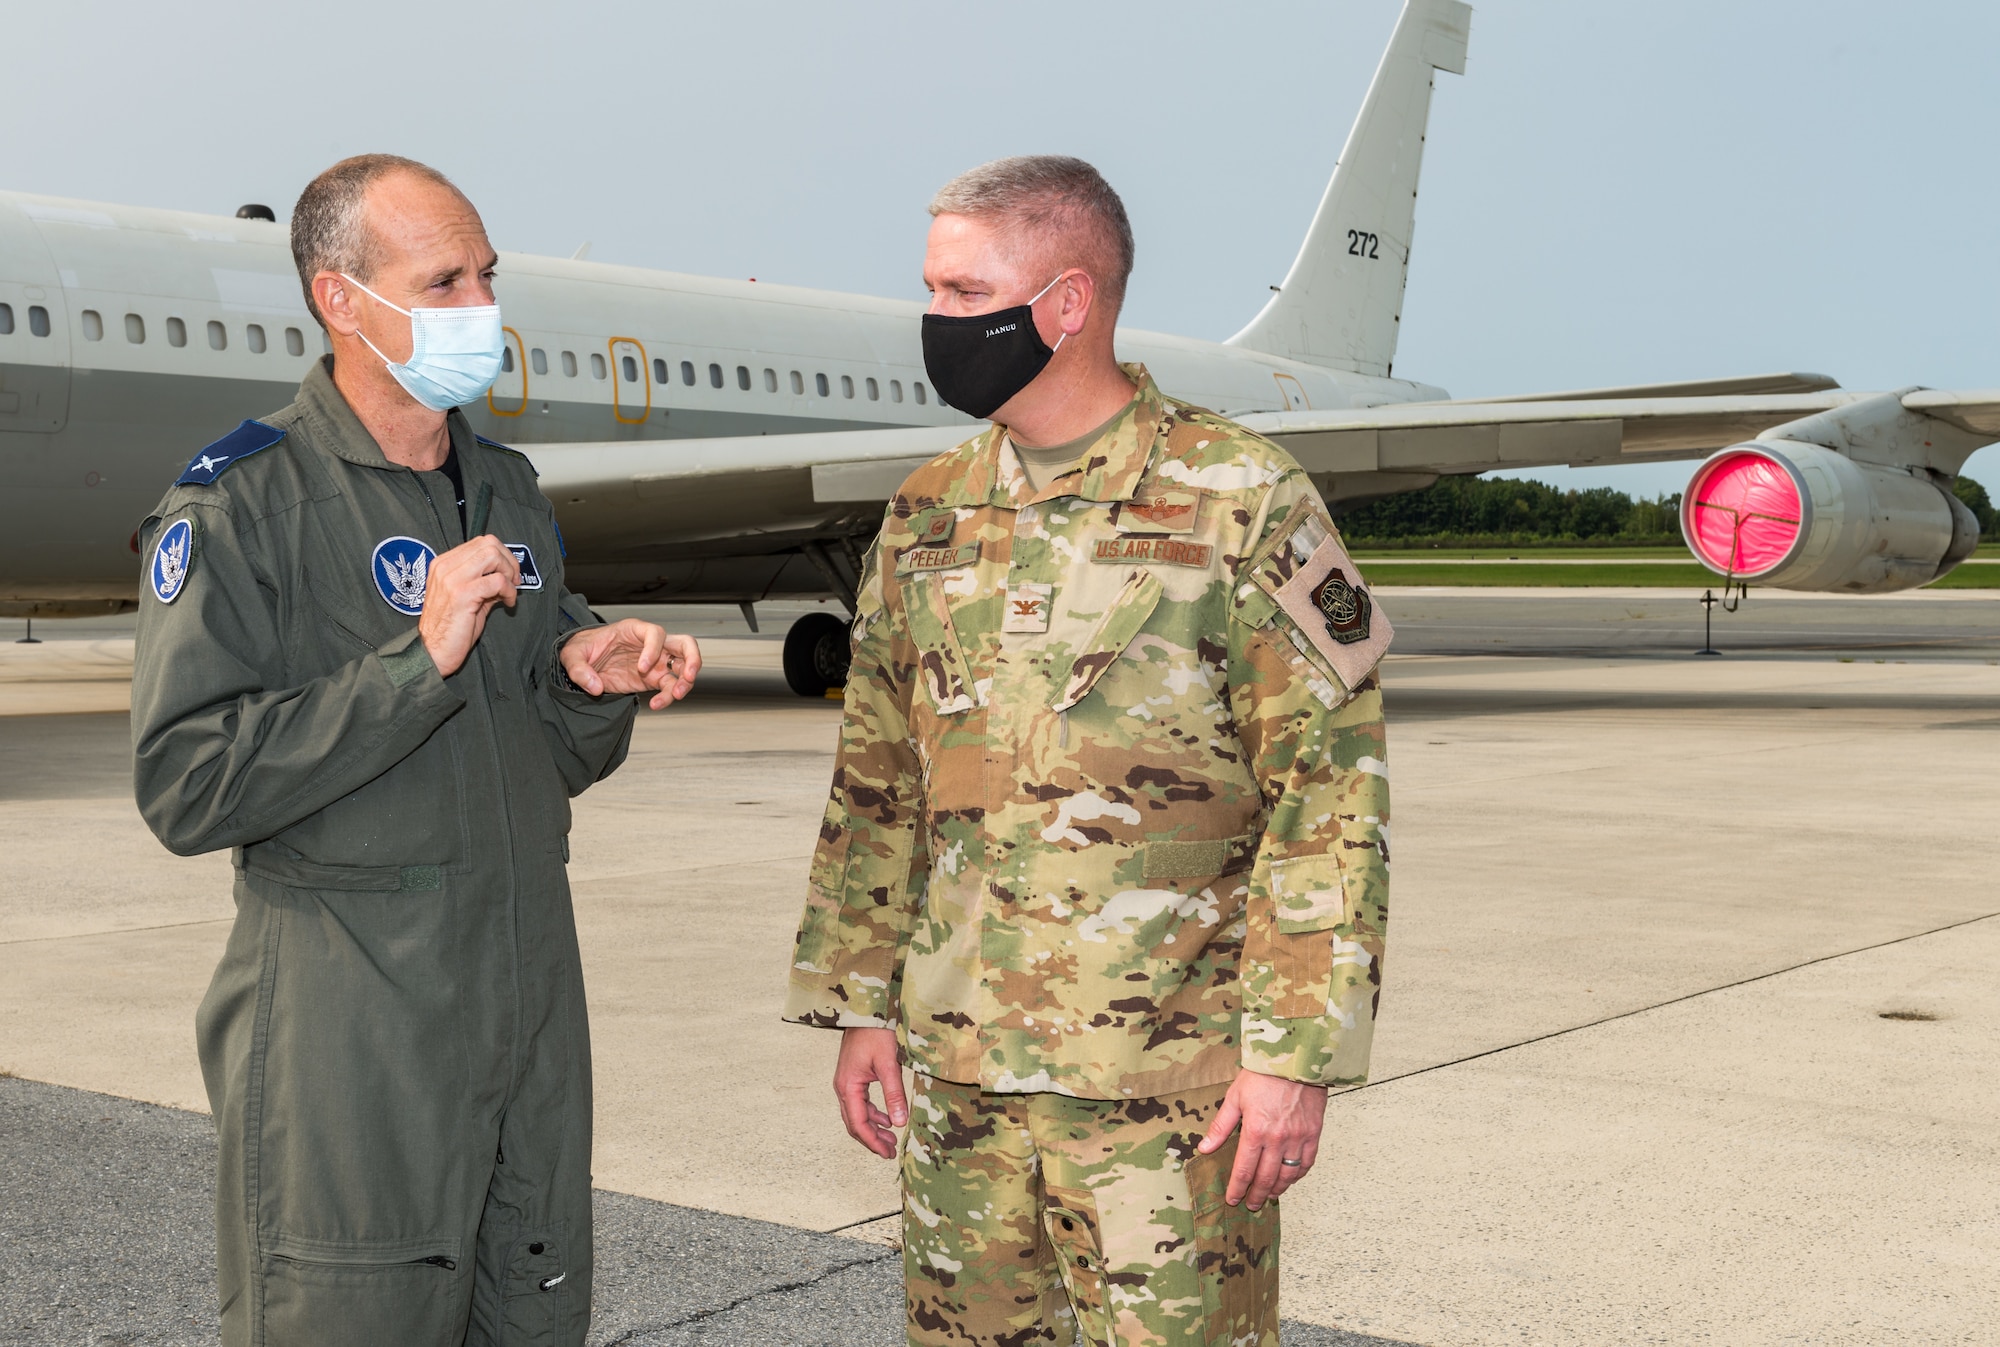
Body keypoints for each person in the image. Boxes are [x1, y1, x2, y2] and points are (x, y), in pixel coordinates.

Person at [784, 155, 1393, 1346]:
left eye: (963, 294)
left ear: (1065, 304)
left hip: (1164, 1091)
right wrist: (859, 1003)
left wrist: (1293, 1056)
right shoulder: (926, 514)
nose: (935, 322)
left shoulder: (1238, 497)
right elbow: (877, 781)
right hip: (959, 1073)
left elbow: (1325, 799)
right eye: (932, 290)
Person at [131, 154, 699, 1347]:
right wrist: (414, 660)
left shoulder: (507, 490)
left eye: (486, 275)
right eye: (442, 281)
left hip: (527, 1016)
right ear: (343, 300)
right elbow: (187, 783)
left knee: (530, 1314)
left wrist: (586, 679)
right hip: (353, 1033)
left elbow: (542, 757)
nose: (479, 308)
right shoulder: (241, 503)